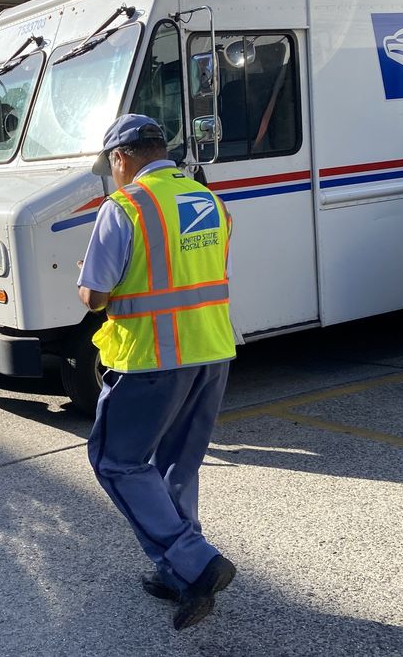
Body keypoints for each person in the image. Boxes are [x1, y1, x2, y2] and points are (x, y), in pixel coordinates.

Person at [77, 114, 238, 630]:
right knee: (177, 464)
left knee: (116, 460)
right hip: (212, 349)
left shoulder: (124, 206)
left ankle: (195, 563)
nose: (113, 174)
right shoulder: (207, 200)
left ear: (122, 158)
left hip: (151, 356)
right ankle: (178, 573)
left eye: (113, 165)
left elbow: (94, 294)